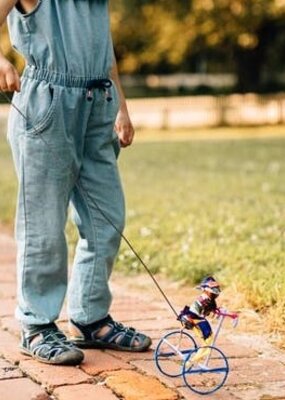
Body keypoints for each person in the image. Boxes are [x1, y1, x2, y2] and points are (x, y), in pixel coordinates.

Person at [0, 0, 151, 365]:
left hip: (99, 102)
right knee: (44, 224)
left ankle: (91, 318)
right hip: (47, 105)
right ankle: (37, 325)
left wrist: (122, 107)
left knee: (107, 218)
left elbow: (104, 50)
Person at [178, 276, 221, 363]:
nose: (215, 295)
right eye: (213, 292)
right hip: (194, 318)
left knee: (207, 340)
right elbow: (204, 310)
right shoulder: (204, 299)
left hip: (196, 317)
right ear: (206, 290)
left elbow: (209, 310)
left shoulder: (208, 299)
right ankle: (191, 362)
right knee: (208, 340)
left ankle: (195, 358)